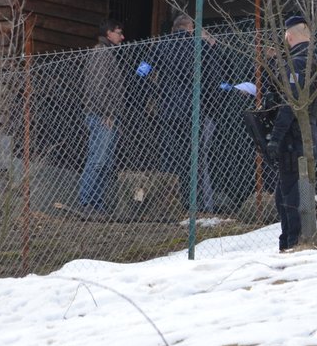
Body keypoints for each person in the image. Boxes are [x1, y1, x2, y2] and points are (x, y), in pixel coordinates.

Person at [141, 13, 218, 209]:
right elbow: (212, 78)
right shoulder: (198, 46)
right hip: (193, 112)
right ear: (190, 28)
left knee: (169, 156)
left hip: (168, 110)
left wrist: (154, 93)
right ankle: (198, 205)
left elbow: (142, 72)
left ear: (174, 28)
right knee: (196, 158)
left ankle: (167, 202)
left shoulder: (161, 45)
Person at [265, 14, 317, 251]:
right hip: (309, 135)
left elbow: (291, 104)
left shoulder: (297, 63)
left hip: (294, 139)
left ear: (289, 36)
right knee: (293, 191)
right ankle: (293, 241)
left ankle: (293, 244)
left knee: (290, 194)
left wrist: (276, 137)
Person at [78, 18, 125, 213]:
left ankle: (96, 204)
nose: (122, 37)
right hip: (101, 116)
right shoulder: (101, 53)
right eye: (119, 32)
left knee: (104, 161)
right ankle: (87, 202)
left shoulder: (106, 53)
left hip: (105, 115)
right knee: (98, 160)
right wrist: (107, 112)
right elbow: (97, 87)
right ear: (108, 34)